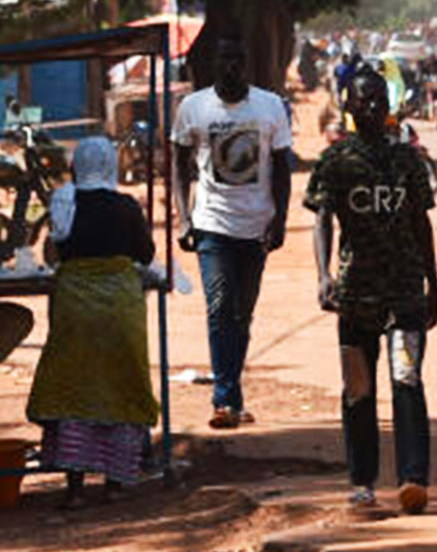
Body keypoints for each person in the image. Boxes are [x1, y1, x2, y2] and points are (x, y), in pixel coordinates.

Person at [307, 69, 437, 515]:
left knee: (407, 378)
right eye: (363, 99)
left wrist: (434, 282)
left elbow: (421, 221)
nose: (371, 106)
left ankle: (413, 479)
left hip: (405, 291)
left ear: (389, 105)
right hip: (355, 295)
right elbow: (322, 219)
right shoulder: (336, 161)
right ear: (348, 106)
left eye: (378, 99)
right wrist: (323, 275)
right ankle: (362, 483)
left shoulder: (407, 160)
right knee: (358, 388)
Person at [28, 138, 159, 506]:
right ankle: (115, 484)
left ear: (76, 167)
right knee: (121, 384)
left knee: (75, 387)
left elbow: (55, 252)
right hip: (120, 307)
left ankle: (75, 490)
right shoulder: (126, 206)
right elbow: (146, 253)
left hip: (75, 307)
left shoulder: (64, 203)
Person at [172, 36, 294, 429]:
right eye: (224, 59)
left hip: (256, 226)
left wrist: (280, 220)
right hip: (212, 224)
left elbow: (282, 169)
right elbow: (178, 164)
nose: (231, 67)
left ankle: (232, 392)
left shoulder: (270, 106)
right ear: (214, 63)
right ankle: (223, 400)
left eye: (237, 59)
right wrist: (183, 218)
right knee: (219, 306)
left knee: (242, 313)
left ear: (247, 64)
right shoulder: (193, 107)